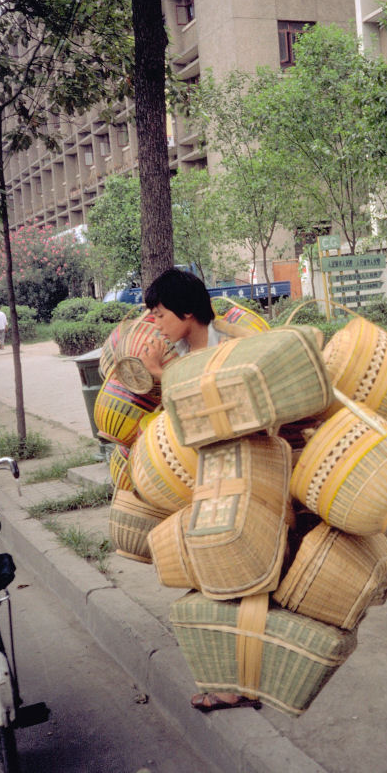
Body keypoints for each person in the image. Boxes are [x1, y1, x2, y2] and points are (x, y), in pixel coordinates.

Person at [140, 268, 260, 714]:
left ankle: (233, 687)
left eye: (160, 314)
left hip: (237, 480)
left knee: (228, 582)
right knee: (228, 583)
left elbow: (204, 417)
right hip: (207, 481)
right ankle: (241, 681)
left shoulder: (227, 351)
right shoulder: (184, 355)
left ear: (187, 312)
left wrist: (161, 376)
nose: (156, 324)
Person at [141, 268, 232, 379]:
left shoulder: (228, 346)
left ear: (187, 309)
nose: (157, 325)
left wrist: (158, 372)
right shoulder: (177, 350)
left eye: (160, 315)